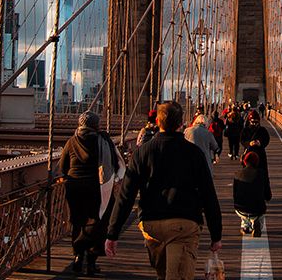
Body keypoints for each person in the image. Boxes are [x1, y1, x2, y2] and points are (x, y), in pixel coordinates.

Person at [106, 102, 223, 280]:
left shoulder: (142, 152)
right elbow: (208, 195)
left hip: (151, 225)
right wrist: (216, 235)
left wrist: (112, 233)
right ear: (181, 123)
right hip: (183, 224)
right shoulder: (194, 153)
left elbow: (126, 195)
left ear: (158, 122)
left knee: (164, 275)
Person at [59, 111, 123, 276]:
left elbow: (62, 167)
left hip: (74, 187)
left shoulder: (71, 142)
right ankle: (91, 262)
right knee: (98, 221)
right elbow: (116, 164)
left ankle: (78, 256)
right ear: (96, 125)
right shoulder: (103, 141)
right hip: (97, 187)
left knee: (78, 221)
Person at [232, 151, 271, 237]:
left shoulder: (237, 174)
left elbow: (234, 195)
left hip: (240, 208)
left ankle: (245, 227)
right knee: (259, 212)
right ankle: (257, 225)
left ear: (244, 161)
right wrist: (267, 198)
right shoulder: (261, 173)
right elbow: (268, 194)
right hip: (257, 209)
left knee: (244, 211)